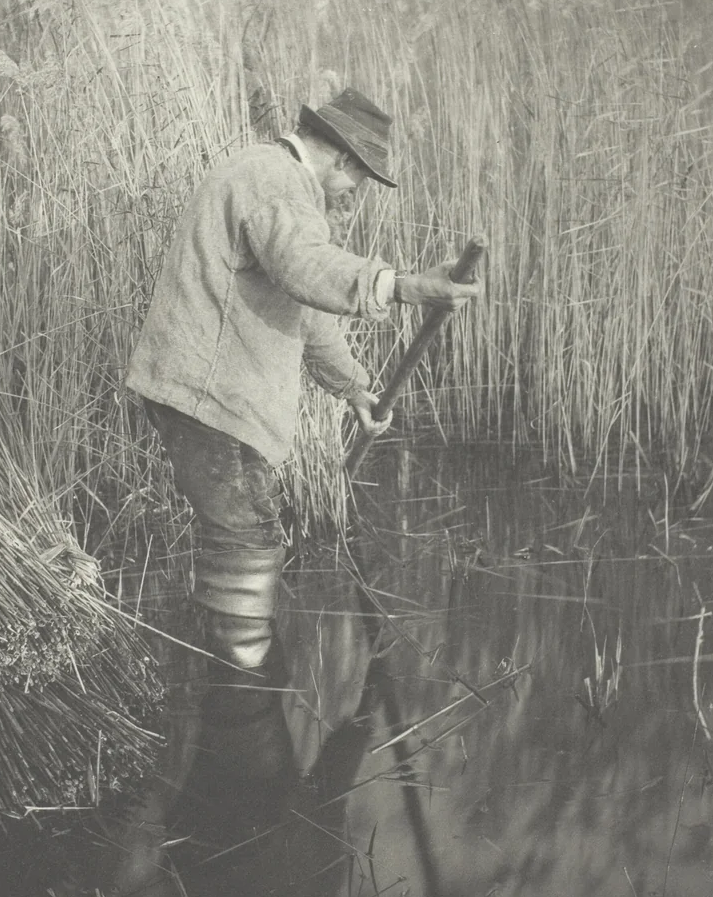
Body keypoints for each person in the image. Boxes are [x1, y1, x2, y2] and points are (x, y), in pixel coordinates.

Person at [126, 88, 481, 672]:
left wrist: (354, 387)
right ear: (342, 159)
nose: (353, 194)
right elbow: (306, 267)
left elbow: (307, 306)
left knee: (239, 532)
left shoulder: (271, 180)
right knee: (249, 537)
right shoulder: (274, 180)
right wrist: (408, 285)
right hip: (209, 395)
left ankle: (223, 669)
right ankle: (246, 697)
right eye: (359, 180)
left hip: (207, 395)